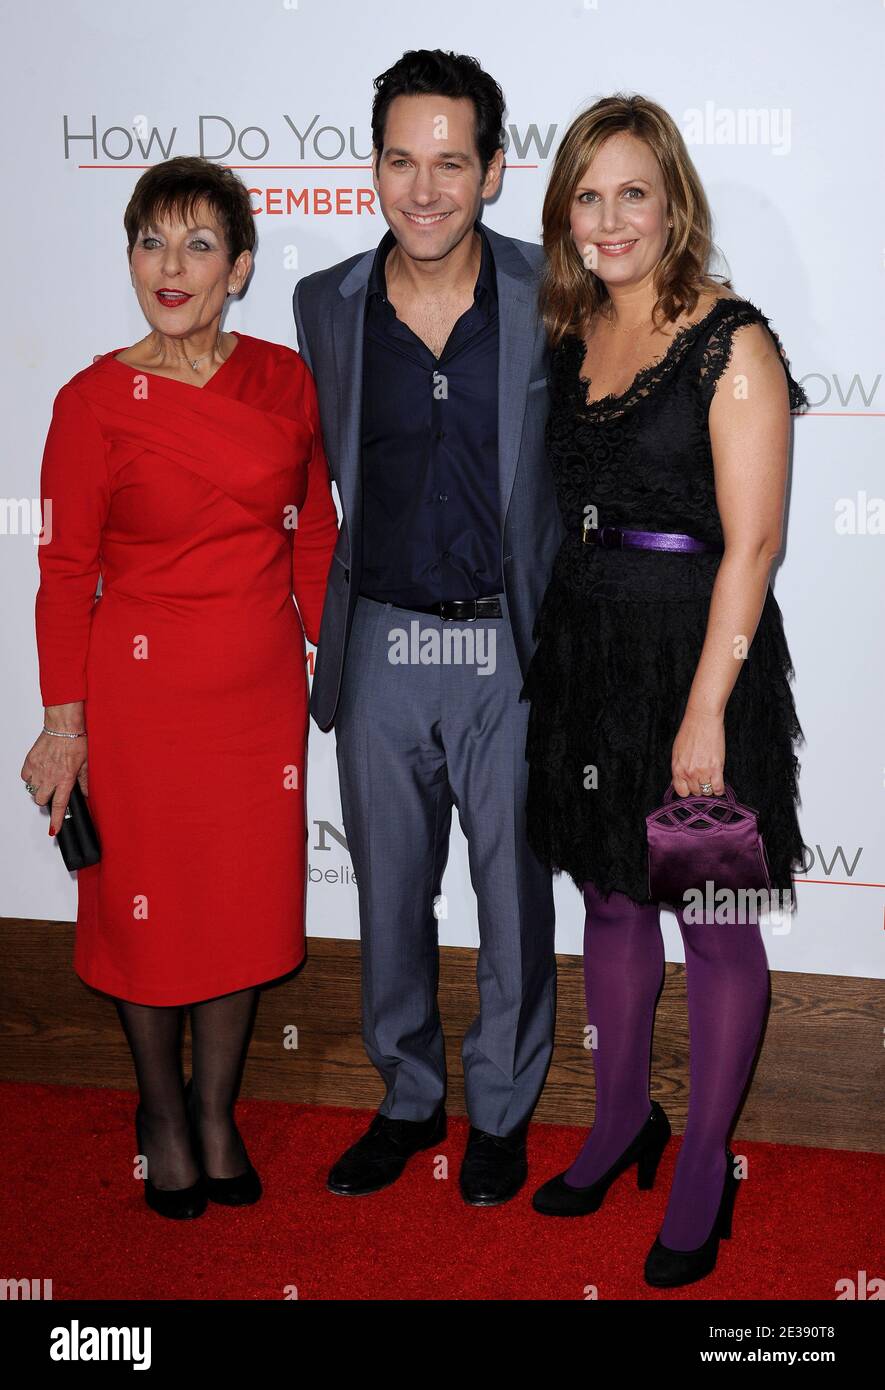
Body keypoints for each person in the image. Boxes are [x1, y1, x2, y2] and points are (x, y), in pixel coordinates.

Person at [520, 96, 807, 1287]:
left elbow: (754, 544)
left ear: (673, 198)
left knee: (715, 919)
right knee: (614, 904)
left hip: (700, 659)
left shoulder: (731, 338)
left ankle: (701, 1170)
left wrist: (705, 709)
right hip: (589, 651)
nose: (609, 218)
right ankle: (619, 1119)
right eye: (587, 195)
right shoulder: (571, 333)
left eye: (632, 191)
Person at [21, 155, 338, 1220]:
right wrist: (64, 726)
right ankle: (160, 1113)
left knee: (239, 909)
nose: (172, 264)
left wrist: (330, 664)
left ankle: (217, 1113)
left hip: (254, 704)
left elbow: (316, 539)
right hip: (138, 703)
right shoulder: (91, 401)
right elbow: (63, 573)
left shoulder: (287, 381)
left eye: (200, 244)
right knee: (145, 916)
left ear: (240, 266)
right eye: (152, 240)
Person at [293, 49, 565, 1206]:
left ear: (494, 171)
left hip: (510, 645)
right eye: (401, 159)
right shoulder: (326, 305)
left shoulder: (556, 289)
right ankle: (408, 1099)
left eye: (451, 161)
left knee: (513, 896)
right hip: (386, 646)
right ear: (373, 167)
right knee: (389, 896)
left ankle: (501, 1111)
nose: (424, 187)